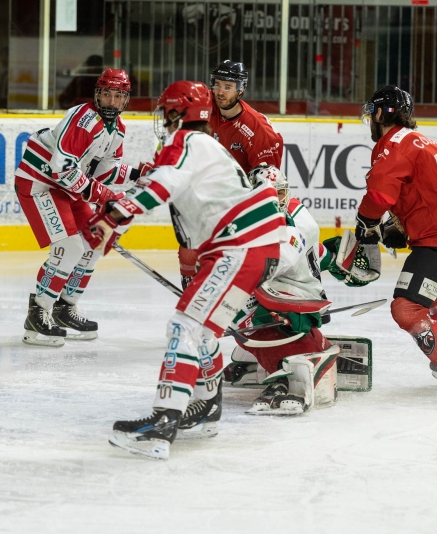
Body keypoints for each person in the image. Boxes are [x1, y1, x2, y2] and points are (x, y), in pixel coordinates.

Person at [94, 81, 286, 460]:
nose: (163, 119)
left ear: (177, 113)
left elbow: (163, 184)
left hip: (237, 247)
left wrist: (113, 217)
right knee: (205, 331)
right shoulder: (209, 145)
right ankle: (207, 407)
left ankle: (162, 424)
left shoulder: (185, 141)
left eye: (166, 111)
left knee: (184, 327)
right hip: (254, 246)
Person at [221, 166, 379, 415]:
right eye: (268, 195)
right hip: (289, 290)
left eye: (279, 193)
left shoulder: (283, 230)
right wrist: (336, 261)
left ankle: (290, 371)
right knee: (236, 314)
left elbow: (268, 263)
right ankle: (262, 359)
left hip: (293, 299)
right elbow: (313, 250)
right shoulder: (296, 213)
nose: (275, 201)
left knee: (242, 317)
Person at [356, 85, 437, 402]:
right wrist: (401, 225)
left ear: (380, 114)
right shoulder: (416, 139)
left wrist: (366, 223)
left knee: (407, 308)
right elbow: (429, 190)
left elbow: (379, 196)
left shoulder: (392, 145)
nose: (370, 122)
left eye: (372, 114)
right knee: (436, 297)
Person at [15, 68, 143, 347]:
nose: (111, 101)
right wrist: (103, 195)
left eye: (118, 96)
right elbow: (62, 169)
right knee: (70, 247)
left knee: (95, 242)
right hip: (39, 182)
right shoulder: (83, 120)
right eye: (106, 94)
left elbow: (103, 171)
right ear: (97, 94)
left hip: (67, 187)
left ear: (126, 99)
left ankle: (64, 308)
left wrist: (137, 174)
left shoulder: (118, 128)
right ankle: (38, 313)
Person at [178, 60, 285, 289]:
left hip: (243, 200)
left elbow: (268, 180)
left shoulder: (257, 128)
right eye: (217, 84)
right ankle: (190, 283)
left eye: (228, 86)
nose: (220, 91)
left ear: (241, 88)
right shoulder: (203, 111)